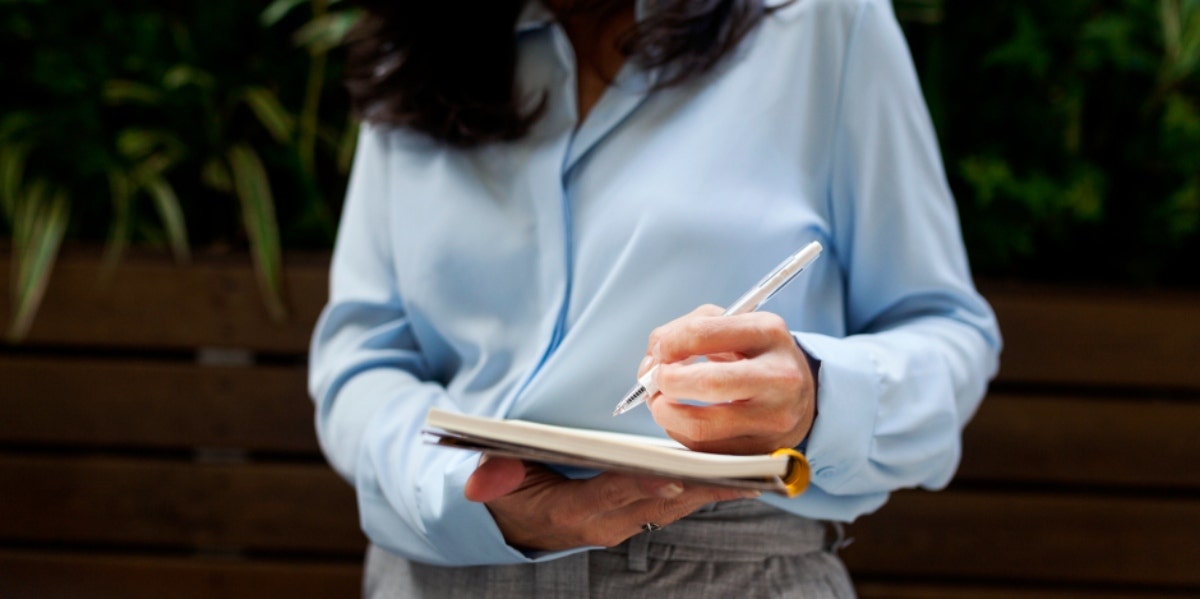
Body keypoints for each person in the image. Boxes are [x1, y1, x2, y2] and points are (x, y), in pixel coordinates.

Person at [308, 0, 1002, 596]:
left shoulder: (819, 22)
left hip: (723, 573)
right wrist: (451, 490)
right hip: (440, 573)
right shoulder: (418, 48)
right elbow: (361, 355)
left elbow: (944, 331)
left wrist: (815, 398)